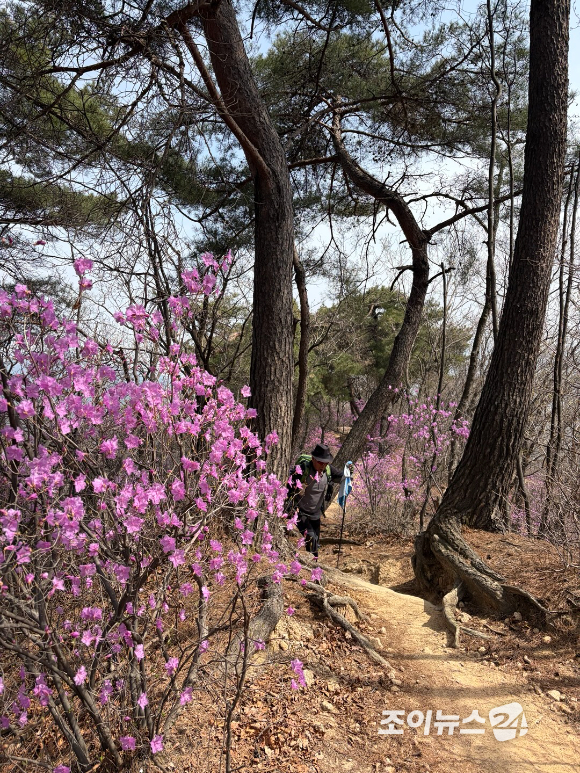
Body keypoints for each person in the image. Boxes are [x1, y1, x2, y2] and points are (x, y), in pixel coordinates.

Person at [286, 443, 344, 559]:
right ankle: (310, 564)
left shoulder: (328, 470)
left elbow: (342, 476)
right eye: (320, 462)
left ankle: (313, 562)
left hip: (315, 513)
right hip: (301, 512)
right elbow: (288, 487)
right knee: (310, 537)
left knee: (315, 542)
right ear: (313, 459)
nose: (323, 465)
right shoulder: (303, 469)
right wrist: (290, 507)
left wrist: (349, 471)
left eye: (326, 462)